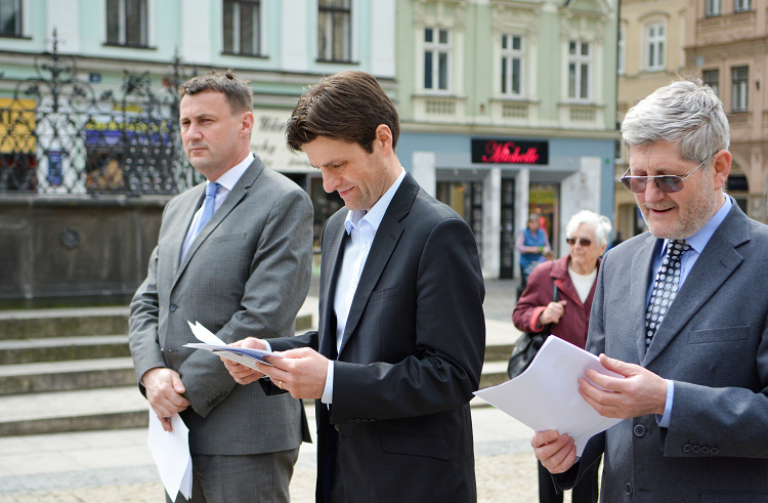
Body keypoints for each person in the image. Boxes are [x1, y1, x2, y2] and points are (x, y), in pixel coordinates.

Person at [222, 70, 486, 503]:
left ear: (382, 140)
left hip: (414, 486)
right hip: (342, 476)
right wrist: (270, 356)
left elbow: (453, 375)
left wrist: (332, 383)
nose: (327, 184)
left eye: (337, 164)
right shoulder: (336, 228)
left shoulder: (439, 231)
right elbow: (345, 341)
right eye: (318, 169)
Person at [532, 78, 768, 501]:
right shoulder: (619, 263)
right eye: (636, 179)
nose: (650, 195)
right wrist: (570, 452)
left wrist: (668, 400)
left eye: (668, 179)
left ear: (719, 168)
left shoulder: (763, 261)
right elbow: (600, 403)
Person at [128, 70, 313, 503]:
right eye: (185, 123)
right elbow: (148, 302)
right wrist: (152, 374)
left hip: (245, 433)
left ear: (245, 124)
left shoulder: (283, 200)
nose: (192, 134)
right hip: (177, 432)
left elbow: (264, 314)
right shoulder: (178, 207)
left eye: (206, 121)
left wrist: (181, 390)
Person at [513, 209, 610, 503]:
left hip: (594, 388)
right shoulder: (546, 274)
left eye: (584, 241)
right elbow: (520, 314)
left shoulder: (612, 274)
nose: (576, 247)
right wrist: (541, 314)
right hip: (553, 387)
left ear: (602, 247)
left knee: (588, 469)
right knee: (551, 465)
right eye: (571, 240)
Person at [516, 212, 551, 290]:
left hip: (539, 263)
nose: (534, 225)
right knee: (527, 285)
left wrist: (544, 250)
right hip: (526, 263)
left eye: (536, 223)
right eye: (532, 223)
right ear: (529, 223)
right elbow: (519, 246)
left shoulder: (542, 233)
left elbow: (547, 246)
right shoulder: (523, 233)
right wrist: (531, 249)